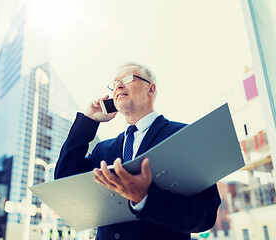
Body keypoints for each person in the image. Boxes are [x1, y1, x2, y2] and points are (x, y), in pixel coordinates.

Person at [54, 63, 221, 240]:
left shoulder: (185, 136)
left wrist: (146, 198)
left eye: (126, 79)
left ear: (151, 88)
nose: (118, 86)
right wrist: (88, 121)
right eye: (114, 83)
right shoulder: (102, 149)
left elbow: (205, 215)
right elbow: (64, 178)